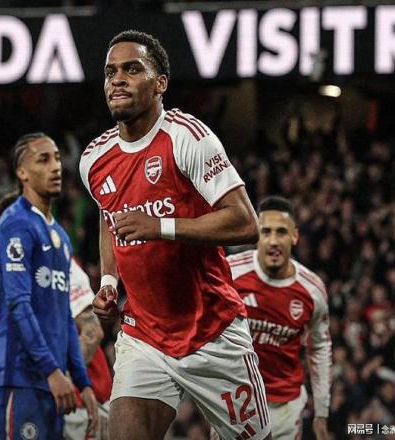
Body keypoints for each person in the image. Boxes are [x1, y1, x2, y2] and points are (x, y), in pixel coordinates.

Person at [79, 30, 272, 440]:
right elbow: (108, 219)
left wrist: (160, 228)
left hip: (213, 333)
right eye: (111, 72)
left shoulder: (188, 138)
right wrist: (109, 281)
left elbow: (245, 223)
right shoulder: (94, 159)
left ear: (160, 83)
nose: (117, 80)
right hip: (144, 336)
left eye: (132, 69)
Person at [0, 132, 98, 439]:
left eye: (58, 159)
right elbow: (18, 304)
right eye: (44, 160)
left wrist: (82, 381)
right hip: (20, 377)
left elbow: (65, 316)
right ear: (22, 173)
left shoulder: (60, 237)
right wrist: (51, 370)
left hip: (56, 382)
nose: (56, 167)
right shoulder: (15, 224)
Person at [227, 196, 332, 440]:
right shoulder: (229, 272)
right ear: (256, 234)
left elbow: (319, 348)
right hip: (236, 399)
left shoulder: (312, 289)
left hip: (286, 406)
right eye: (266, 232)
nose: (273, 241)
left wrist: (322, 412)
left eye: (281, 232)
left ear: (294, 236)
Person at [64, 258, 112, 440]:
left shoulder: (60, 259)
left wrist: (63, 378)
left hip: (82, 404)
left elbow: (92, 332)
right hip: (52, 400)